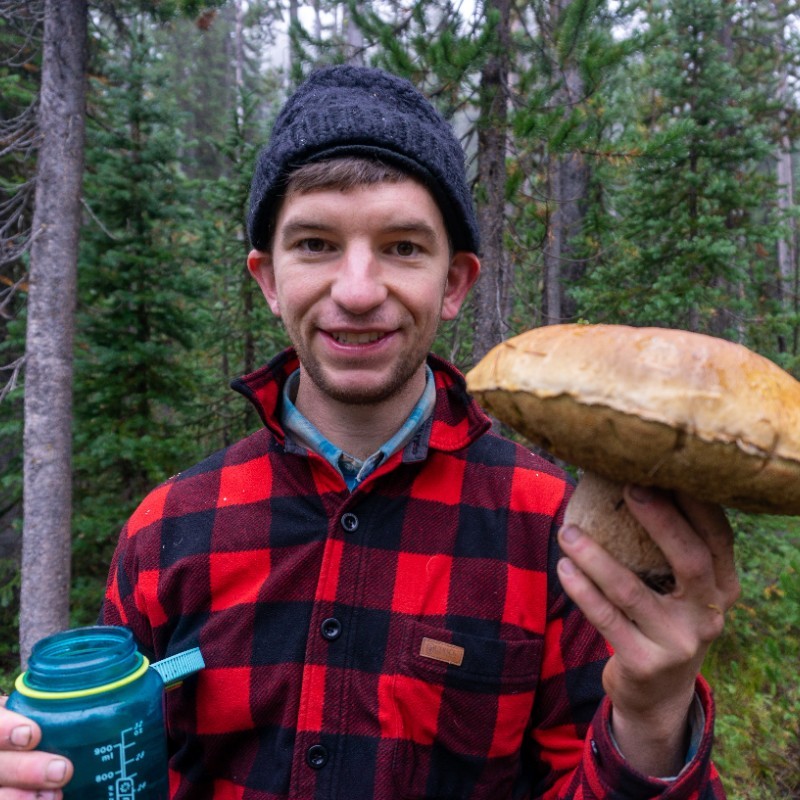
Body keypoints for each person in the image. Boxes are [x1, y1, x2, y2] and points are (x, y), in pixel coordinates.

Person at [0, 64, 739, 800]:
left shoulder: (555, 533)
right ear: (267, 279)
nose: (357, 292)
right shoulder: (169, 530)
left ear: (455, 284)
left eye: (403, 247)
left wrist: (652, 718)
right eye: (316, 244)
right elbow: (127, 777)